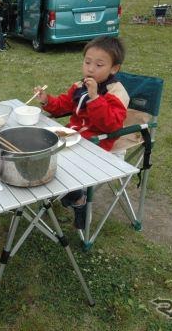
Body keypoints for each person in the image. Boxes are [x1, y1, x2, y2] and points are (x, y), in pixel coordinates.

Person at [33, 37, 129, 229]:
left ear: (114, 69)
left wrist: (94, 98)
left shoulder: (116, 92)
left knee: (54, 164)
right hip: (71, 138)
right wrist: (47, 101)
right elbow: (64, 105)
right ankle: (70, 194)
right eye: (87, 62)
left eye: (99, 64)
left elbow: (110, 124)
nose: (91, 69)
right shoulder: (79, 86)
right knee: (37, 151)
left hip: (98, 144)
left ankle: (77, 199)